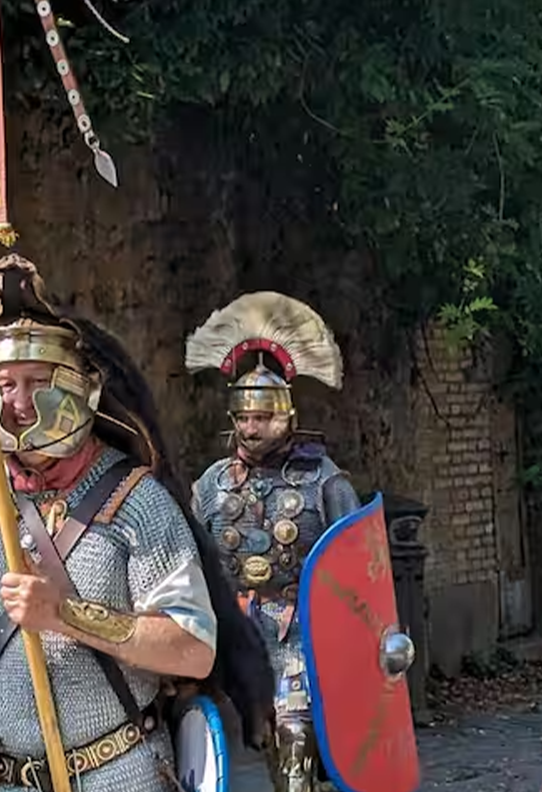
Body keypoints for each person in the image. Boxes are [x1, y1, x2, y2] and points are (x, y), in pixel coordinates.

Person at [0, 255, 273, 792]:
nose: (15, 404)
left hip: (118, 772)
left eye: (35, 381)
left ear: (83, 389)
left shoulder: (139, 505)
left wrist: (63, 615)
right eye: (2, 385)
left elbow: (193, 649)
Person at [184, 292, 360, 792]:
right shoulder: (213, 484)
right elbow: (190, 561)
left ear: (286, 415)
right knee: (258, 740)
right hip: (237, 632)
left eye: (262, 417)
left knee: (295, 737)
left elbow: (354, 568)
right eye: (243, 417)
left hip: (299, 632)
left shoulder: (324, 481)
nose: (251, 427)